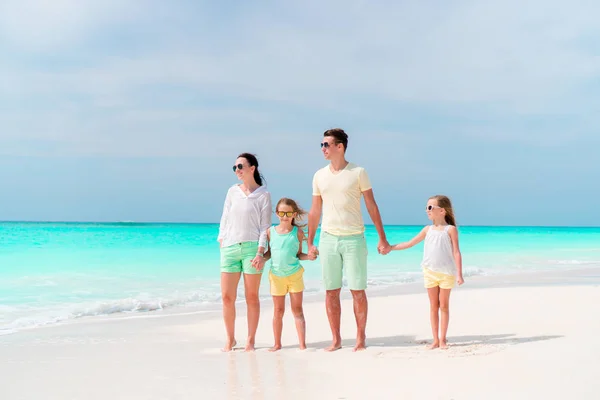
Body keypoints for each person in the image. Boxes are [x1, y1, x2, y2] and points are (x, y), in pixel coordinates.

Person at [308, 128, 390, 352]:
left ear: (340, 147)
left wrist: (382, 238)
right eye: (322, 145)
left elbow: (372, 206)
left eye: (327, 144)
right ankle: (336, 339)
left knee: (357, 290)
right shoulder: (319, 175)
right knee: (331, 291)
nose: (323, 149)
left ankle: (360, 338)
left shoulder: (358, 172)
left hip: (354, 238)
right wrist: (309, 241)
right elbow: (315, 210)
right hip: (328, 239)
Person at [388, 195, 464, 350]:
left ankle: (443, 339)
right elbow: (410, 243)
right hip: (429, 272)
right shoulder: (427, 230)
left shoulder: (451, 230)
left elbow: (456, 252)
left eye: (430, 207)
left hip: (446, 274)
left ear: (442, 211)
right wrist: (390, 247)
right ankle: (435, 340)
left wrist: (460, 274)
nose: (427, 210)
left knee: (444, 306)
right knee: (433, 306)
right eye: (426, 207)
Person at [217, 153, 272, 352]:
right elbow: (225, 217)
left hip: (251, 250)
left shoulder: (263, 194)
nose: (237, 171)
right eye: (234, 168)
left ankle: (250, 340)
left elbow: (264, 226)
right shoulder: (232, 191)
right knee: (227, 297)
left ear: (252, 168)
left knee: (251, 297)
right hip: (230, 248)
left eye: (240, 166)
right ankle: (230, 339)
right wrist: (221, 240)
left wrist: (260, 252)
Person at [263, 198, 316, 352]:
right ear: (277, 213)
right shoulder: (270, 232)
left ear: (293, 214)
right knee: (278, 311)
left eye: (288, 213)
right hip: (276, 276)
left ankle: (302, 344)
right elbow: (269, 253)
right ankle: (277, 344)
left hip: (294, 276)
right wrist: (260, 259)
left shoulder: (297, 233)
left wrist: (310, 257)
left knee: (297, 310)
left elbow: (299, 254)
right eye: (281, 212)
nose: (284, 216)